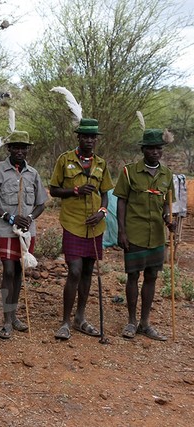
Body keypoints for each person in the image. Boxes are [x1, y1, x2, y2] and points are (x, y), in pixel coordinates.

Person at [50, 118, 113, 340]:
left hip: (95, 225)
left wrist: (102, 212)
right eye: (85, 136)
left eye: (92, 137)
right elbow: (54, 190)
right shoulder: (64, 160)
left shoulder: (101, 164)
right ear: (78, 137)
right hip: (73, 223)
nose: (89, 140)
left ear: (96, 139)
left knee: (88, 271)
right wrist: (75, 191)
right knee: (74, 270)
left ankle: (80, 318)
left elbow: (105, 192)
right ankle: (65, 322)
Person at [0, 131, 48, 339]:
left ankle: (14, 315)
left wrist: (29, 217)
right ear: (8, 148)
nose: (20, 151)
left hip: (27, 230)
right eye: (16, 147)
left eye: (24, 147)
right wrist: (8, 217)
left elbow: (41, 203)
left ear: (28, 150)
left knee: (19, 271)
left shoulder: (33, 173)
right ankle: (6, 319)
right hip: (6, 229)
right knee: (8, 270)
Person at [114, 129, 175, 341]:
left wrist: (168, 219)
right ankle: (131, 321)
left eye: (159, 148)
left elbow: (167, 204)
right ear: (143, 150)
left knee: (152, 277)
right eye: (151, 148)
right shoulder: (129, 172)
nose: (155, 152)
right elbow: (121, 201)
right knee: (133, 276)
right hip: (134, 232)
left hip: (157, 234)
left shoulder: (167, 174)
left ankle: (145, 323)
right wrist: (121, 231)